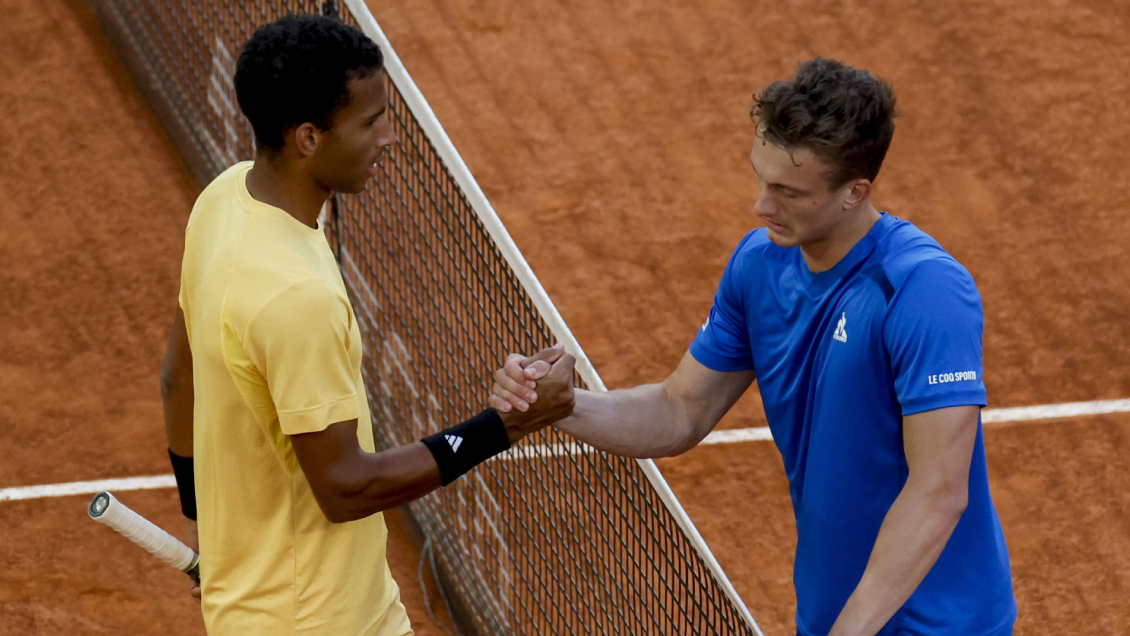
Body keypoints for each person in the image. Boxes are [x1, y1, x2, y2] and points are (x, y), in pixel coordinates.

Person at [490, 58, 1016, 636]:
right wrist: (566, 405)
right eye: (761, 179)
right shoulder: (759, 265)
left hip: (940, 623)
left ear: (853, 192)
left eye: (787, 192)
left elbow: (938, 492)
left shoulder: (922, 289)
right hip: (833, 614)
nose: (762, 207)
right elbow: (679, 410)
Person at [158, 14, 575, 636]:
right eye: (370, 121)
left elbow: (176, 381)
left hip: (283, 605)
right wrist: (507, 425)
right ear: (307, 139)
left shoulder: (223, 201)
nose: (389, 137)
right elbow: (345, 486)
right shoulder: (296, 295)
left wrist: (209, 530)